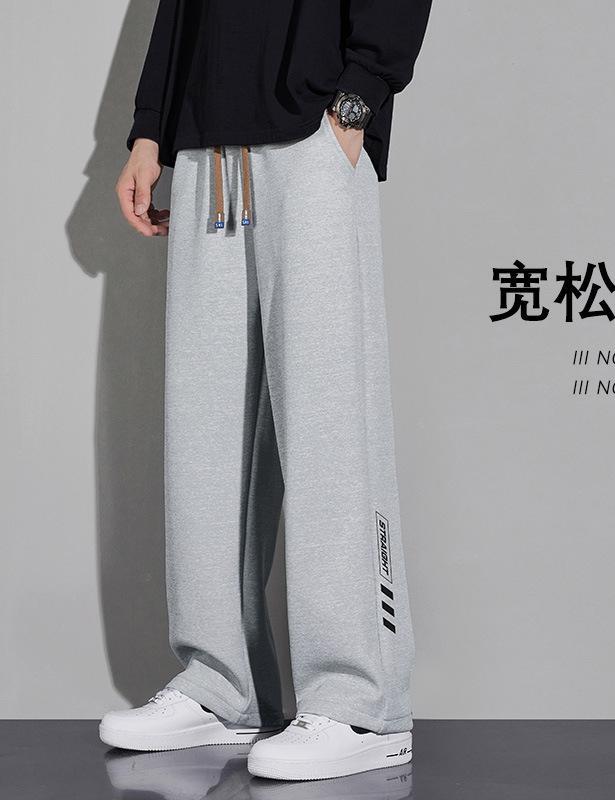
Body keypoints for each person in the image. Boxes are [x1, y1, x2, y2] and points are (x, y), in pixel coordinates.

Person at [100, 0, 432, 782]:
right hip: (209, 138)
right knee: (207, 421)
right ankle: (222, 686)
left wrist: (355, 106)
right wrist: (152, 128)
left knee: (328, 414)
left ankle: (361, 702)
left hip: (316, 134)